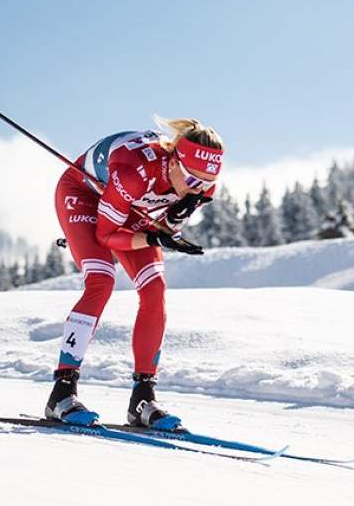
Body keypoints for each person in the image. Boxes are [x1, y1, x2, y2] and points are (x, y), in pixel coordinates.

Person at [46, 116, 223, 430]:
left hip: (131, 209)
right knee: (102, 280)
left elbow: (167, 223)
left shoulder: (200, 184)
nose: (199, 189)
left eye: (207, 183)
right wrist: (156, 236)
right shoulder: (135, 171)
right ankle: (62, 392)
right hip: (85, 196)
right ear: (173, 162)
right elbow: (105, 236)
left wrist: (173, 220)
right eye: (193, 180)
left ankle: (143, 398)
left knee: (154, 291)